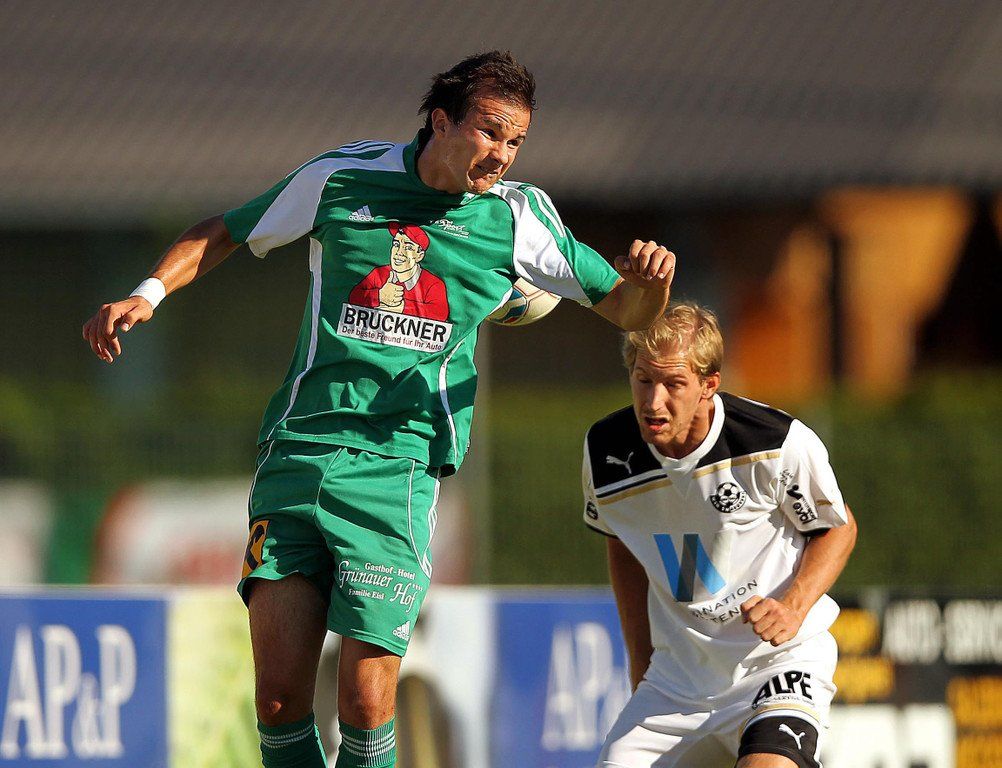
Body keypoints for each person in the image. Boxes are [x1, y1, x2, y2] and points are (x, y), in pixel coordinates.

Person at [82, 51, 675, 768]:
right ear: (440, 122)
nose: (501, 155)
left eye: (516, 141)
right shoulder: (342, 178)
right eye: (489, 132)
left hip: (398, 469)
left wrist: (652, 287)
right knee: (278, 700)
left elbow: (626, 309)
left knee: (366, 702)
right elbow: (226, 229)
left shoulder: (517, 219)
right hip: (298, 452)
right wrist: (146, 294)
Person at [582, 303, 856, 768]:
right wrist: (641, 662)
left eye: (673, 384)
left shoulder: (774, 442)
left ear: (709, 385)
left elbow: (838, 527)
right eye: (643, 379)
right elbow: (624, 543)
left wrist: (792, 607)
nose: (653, 401)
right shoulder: (604, 450)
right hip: (676, 682)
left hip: (777, 663)